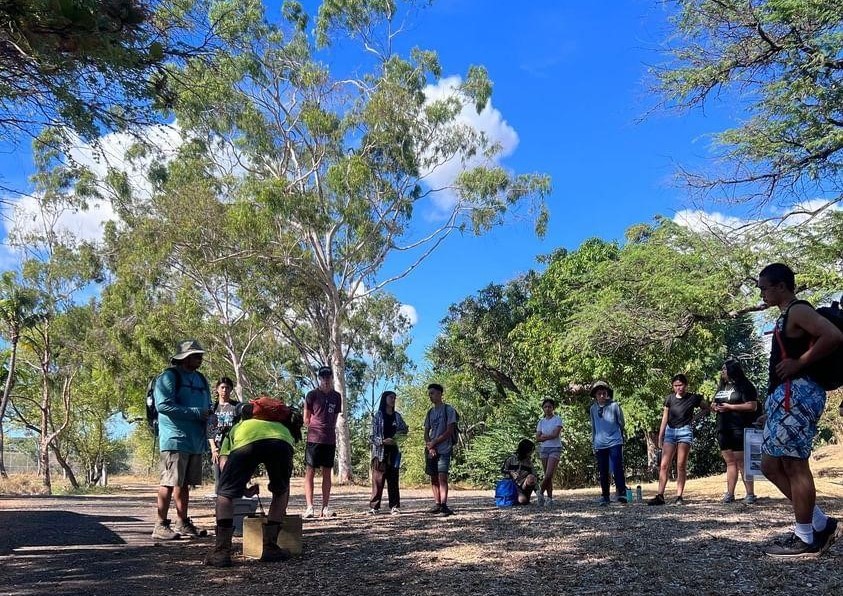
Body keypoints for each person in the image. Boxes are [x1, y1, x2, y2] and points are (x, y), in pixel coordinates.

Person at [757, 263, 843, 557]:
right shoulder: (785, 316)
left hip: (800, 393)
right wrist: (772, 406)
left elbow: (833, 335)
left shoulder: (798, 310)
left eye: (764, 287)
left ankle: (805, 537)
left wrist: (801, 362)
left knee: (794, 463)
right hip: (784, 398)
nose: (761, 293)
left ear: (781, 286)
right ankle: (819, 523)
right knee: (769, 464)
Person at [204, 400, 298, 567]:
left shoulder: (238, 426)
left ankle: (221, 552)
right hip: (281, 443)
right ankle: (270, 547)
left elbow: (224, 464)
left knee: (224, 494)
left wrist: (240, 488)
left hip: (246, 444)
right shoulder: (280, 425)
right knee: (281, 491)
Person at [152, 339, 212, 540]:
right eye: (196, 355)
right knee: (169, 481)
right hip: (174, 438)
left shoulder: (201, 379)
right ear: (185, 357)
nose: (200, 359)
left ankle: (182, 522)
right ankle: (160, 525)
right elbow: (163, 406)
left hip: (195, 440)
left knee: (184, 483)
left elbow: (208, 406)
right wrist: (196, 412)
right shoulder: (169, 377)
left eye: (200, 355)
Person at [648, 374, 710, 506]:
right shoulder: (669, 399)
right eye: (676, 386)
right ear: (673, 386)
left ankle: (679, 496)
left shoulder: (693, 398)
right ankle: (660, 495)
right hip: (670, 431)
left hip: (684, 431)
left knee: (681, 464)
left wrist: (694, 419)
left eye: (680, 385)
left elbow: (706, 408)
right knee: (664, 464)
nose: (678, 388)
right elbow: (665, 417)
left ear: (685, 385)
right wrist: (661, 435)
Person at [711, 359, 759, 505]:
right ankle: (730, 494)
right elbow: (716, 402)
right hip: (723, 428)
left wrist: (730, 408)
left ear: (732, 370)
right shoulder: (722, 387)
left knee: (742, 462)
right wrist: (714, 406)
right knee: (730, 462)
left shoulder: (745, 385)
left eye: (725, 369)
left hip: (739, 428)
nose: (722, 372)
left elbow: (752, 406)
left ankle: (750, 494)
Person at [303, 366, 342, 519]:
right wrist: (315, 427)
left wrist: (329, 428)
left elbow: (336, 416)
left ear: (332, 378)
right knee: (310, 472)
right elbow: (306, 418)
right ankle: (309, 507)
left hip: (330, 439)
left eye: (328, 376)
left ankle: (325, 507)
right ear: (319, 378)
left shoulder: (336, 396)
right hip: (314, 439)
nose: (326, 379)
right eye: (323, 377)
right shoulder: (311, 395)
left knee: (327, 472)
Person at [368, 390, 409, 515]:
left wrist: (396, 439)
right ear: (385, 399)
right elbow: (371, 435)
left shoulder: (397, 416)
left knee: (393, 480)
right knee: (377, 480)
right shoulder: (378, 416)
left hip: (394, 452)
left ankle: (394, 506)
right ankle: (374, 507)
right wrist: (383, 441)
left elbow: (404, 430)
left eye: (395, 398)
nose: (393, 400)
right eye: (391, 397)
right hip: (379, 453)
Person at [589, 381, 628, 506]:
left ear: (607, 394)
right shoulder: (593, 409)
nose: (602, 396)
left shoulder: (614, 406)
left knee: (617, 467)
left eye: (604, 393)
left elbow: (621, 422)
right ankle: (605, 496)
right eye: (599, 393)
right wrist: (594, 442)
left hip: (615, 441)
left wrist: (618, 434)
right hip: (600, 443)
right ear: (595, 395)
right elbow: (593, 427)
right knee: (603, 470)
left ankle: (622, 493)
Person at [423, 383, 457, 516]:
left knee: (442, 476)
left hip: (444, 448)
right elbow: (426, 432)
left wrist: (435, 442)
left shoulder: (448, 410)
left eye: (432, 393)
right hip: (432, 449)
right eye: (429, 394)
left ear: (440, 393)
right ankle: (437, 503)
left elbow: (449, 431)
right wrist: (429, 445)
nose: (430, 396)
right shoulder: (430, 412)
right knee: (433, 477)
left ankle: (444, 505)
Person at [207, 377, 241, 497]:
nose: (225, 390)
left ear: (231, 389)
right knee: (219, 478)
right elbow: (209, 428)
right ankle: (220, 509)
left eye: (227, 387)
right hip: (218, 447)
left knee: (234, 477)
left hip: (233, 447)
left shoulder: (236, 407)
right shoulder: (213, 408)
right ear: (217, 389)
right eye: (222, 387)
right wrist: (213, 448)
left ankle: (235, 506)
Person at [535, 398, 563, 506]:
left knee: (549, 474)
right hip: (544, 449)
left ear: (553, 408)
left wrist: (544, 436)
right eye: (545, 406)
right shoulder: (541, 422)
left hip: (555, 448)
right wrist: (547, 437)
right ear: (543, 408)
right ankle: (549, 498)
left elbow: (555, 434)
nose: (547, 409)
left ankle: (540, 492)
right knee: (547, 475)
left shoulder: (557, 419)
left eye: (549, 406)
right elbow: (537, 438)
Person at [500, 439, 538, 505]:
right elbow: (503, 470)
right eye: (530, 451)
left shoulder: (529, 463)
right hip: (511, 485)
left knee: (531, 477)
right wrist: (510, 472)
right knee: (521, 500)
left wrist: (538, 493)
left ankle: (524, 498)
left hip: (523, 486)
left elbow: (534, 478)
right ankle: (515, 498)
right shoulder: (511, 459)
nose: (531, 453)